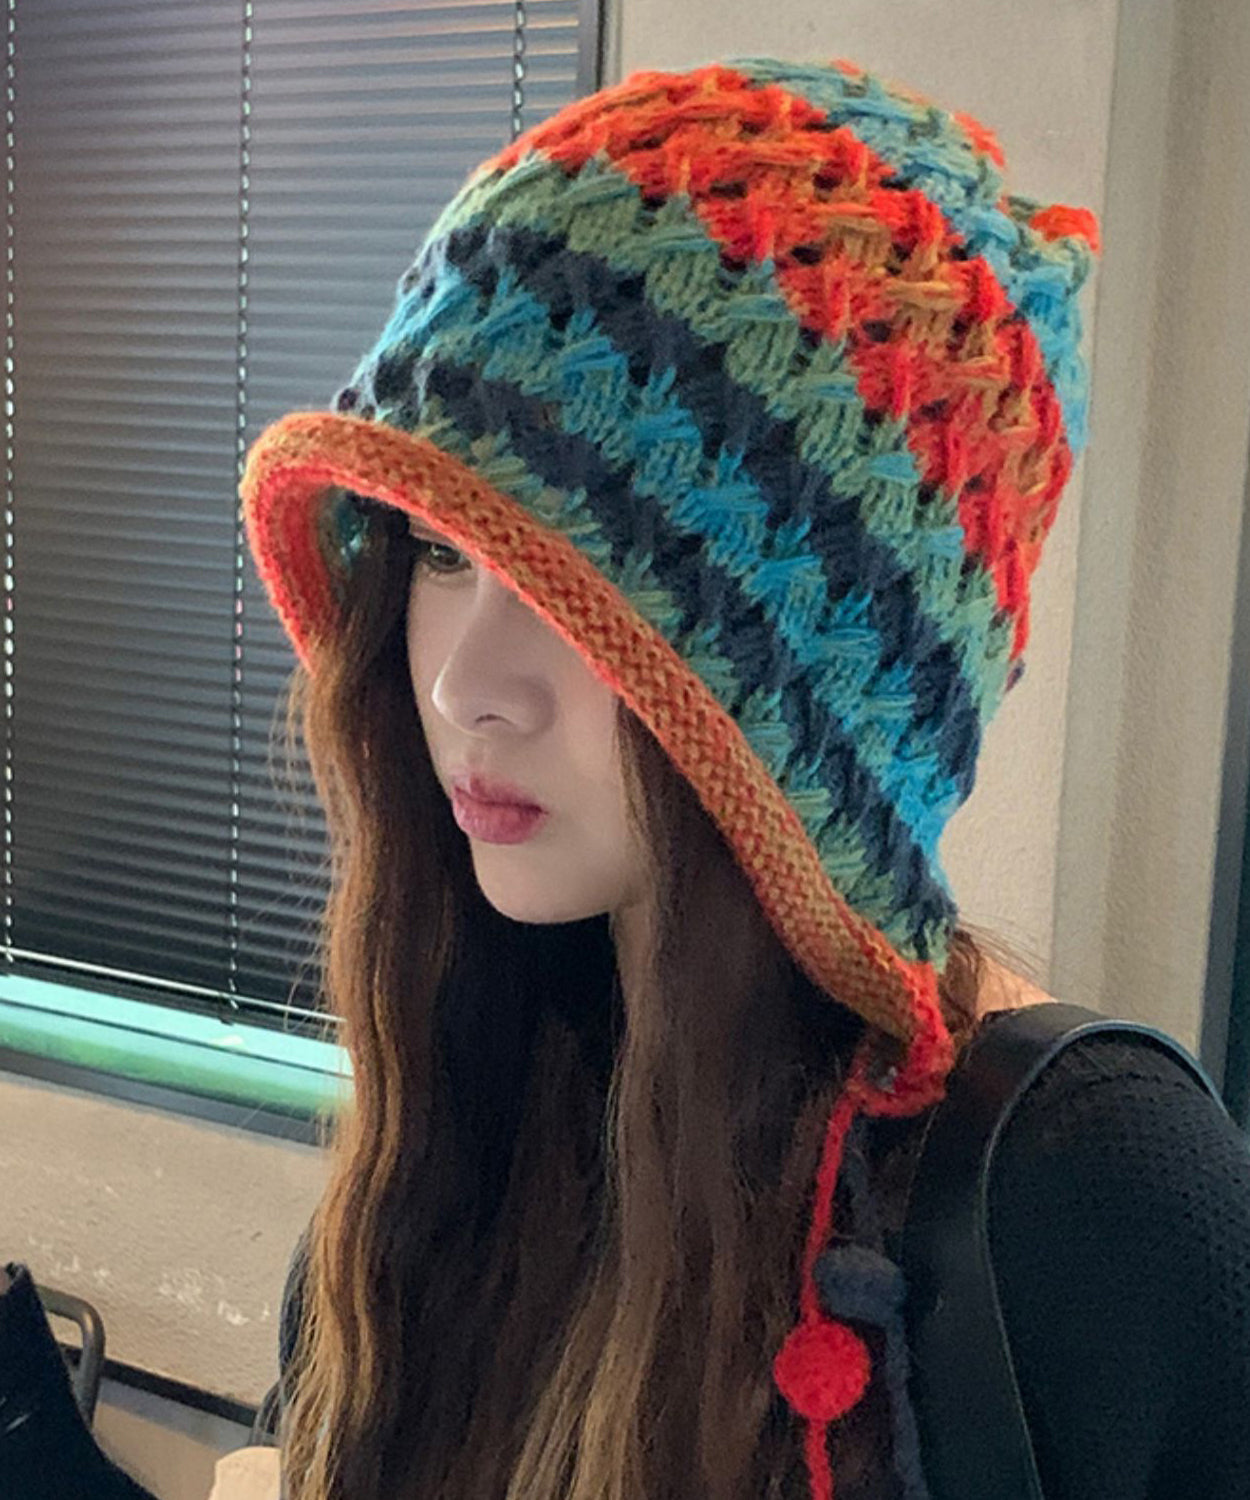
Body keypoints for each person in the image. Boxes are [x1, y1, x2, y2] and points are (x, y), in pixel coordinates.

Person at [4, 51, 1249, 1500]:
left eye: (578, 596)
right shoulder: (452, 1136)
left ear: (815, 693)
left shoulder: (1088, 1189)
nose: (463, 686)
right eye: (440, 554)